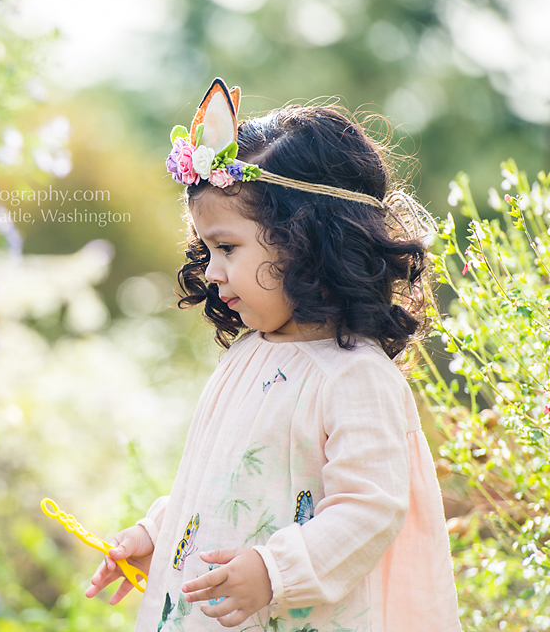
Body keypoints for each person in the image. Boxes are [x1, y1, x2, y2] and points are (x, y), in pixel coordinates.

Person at [84, 79, 462, 632]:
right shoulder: (248, 356)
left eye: (228, 247)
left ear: (306, 240)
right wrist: (159, 531)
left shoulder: (355, 377)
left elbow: (370, 508)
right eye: (207, 250)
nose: (211, 272)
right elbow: (226, 481)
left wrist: (273, 571)